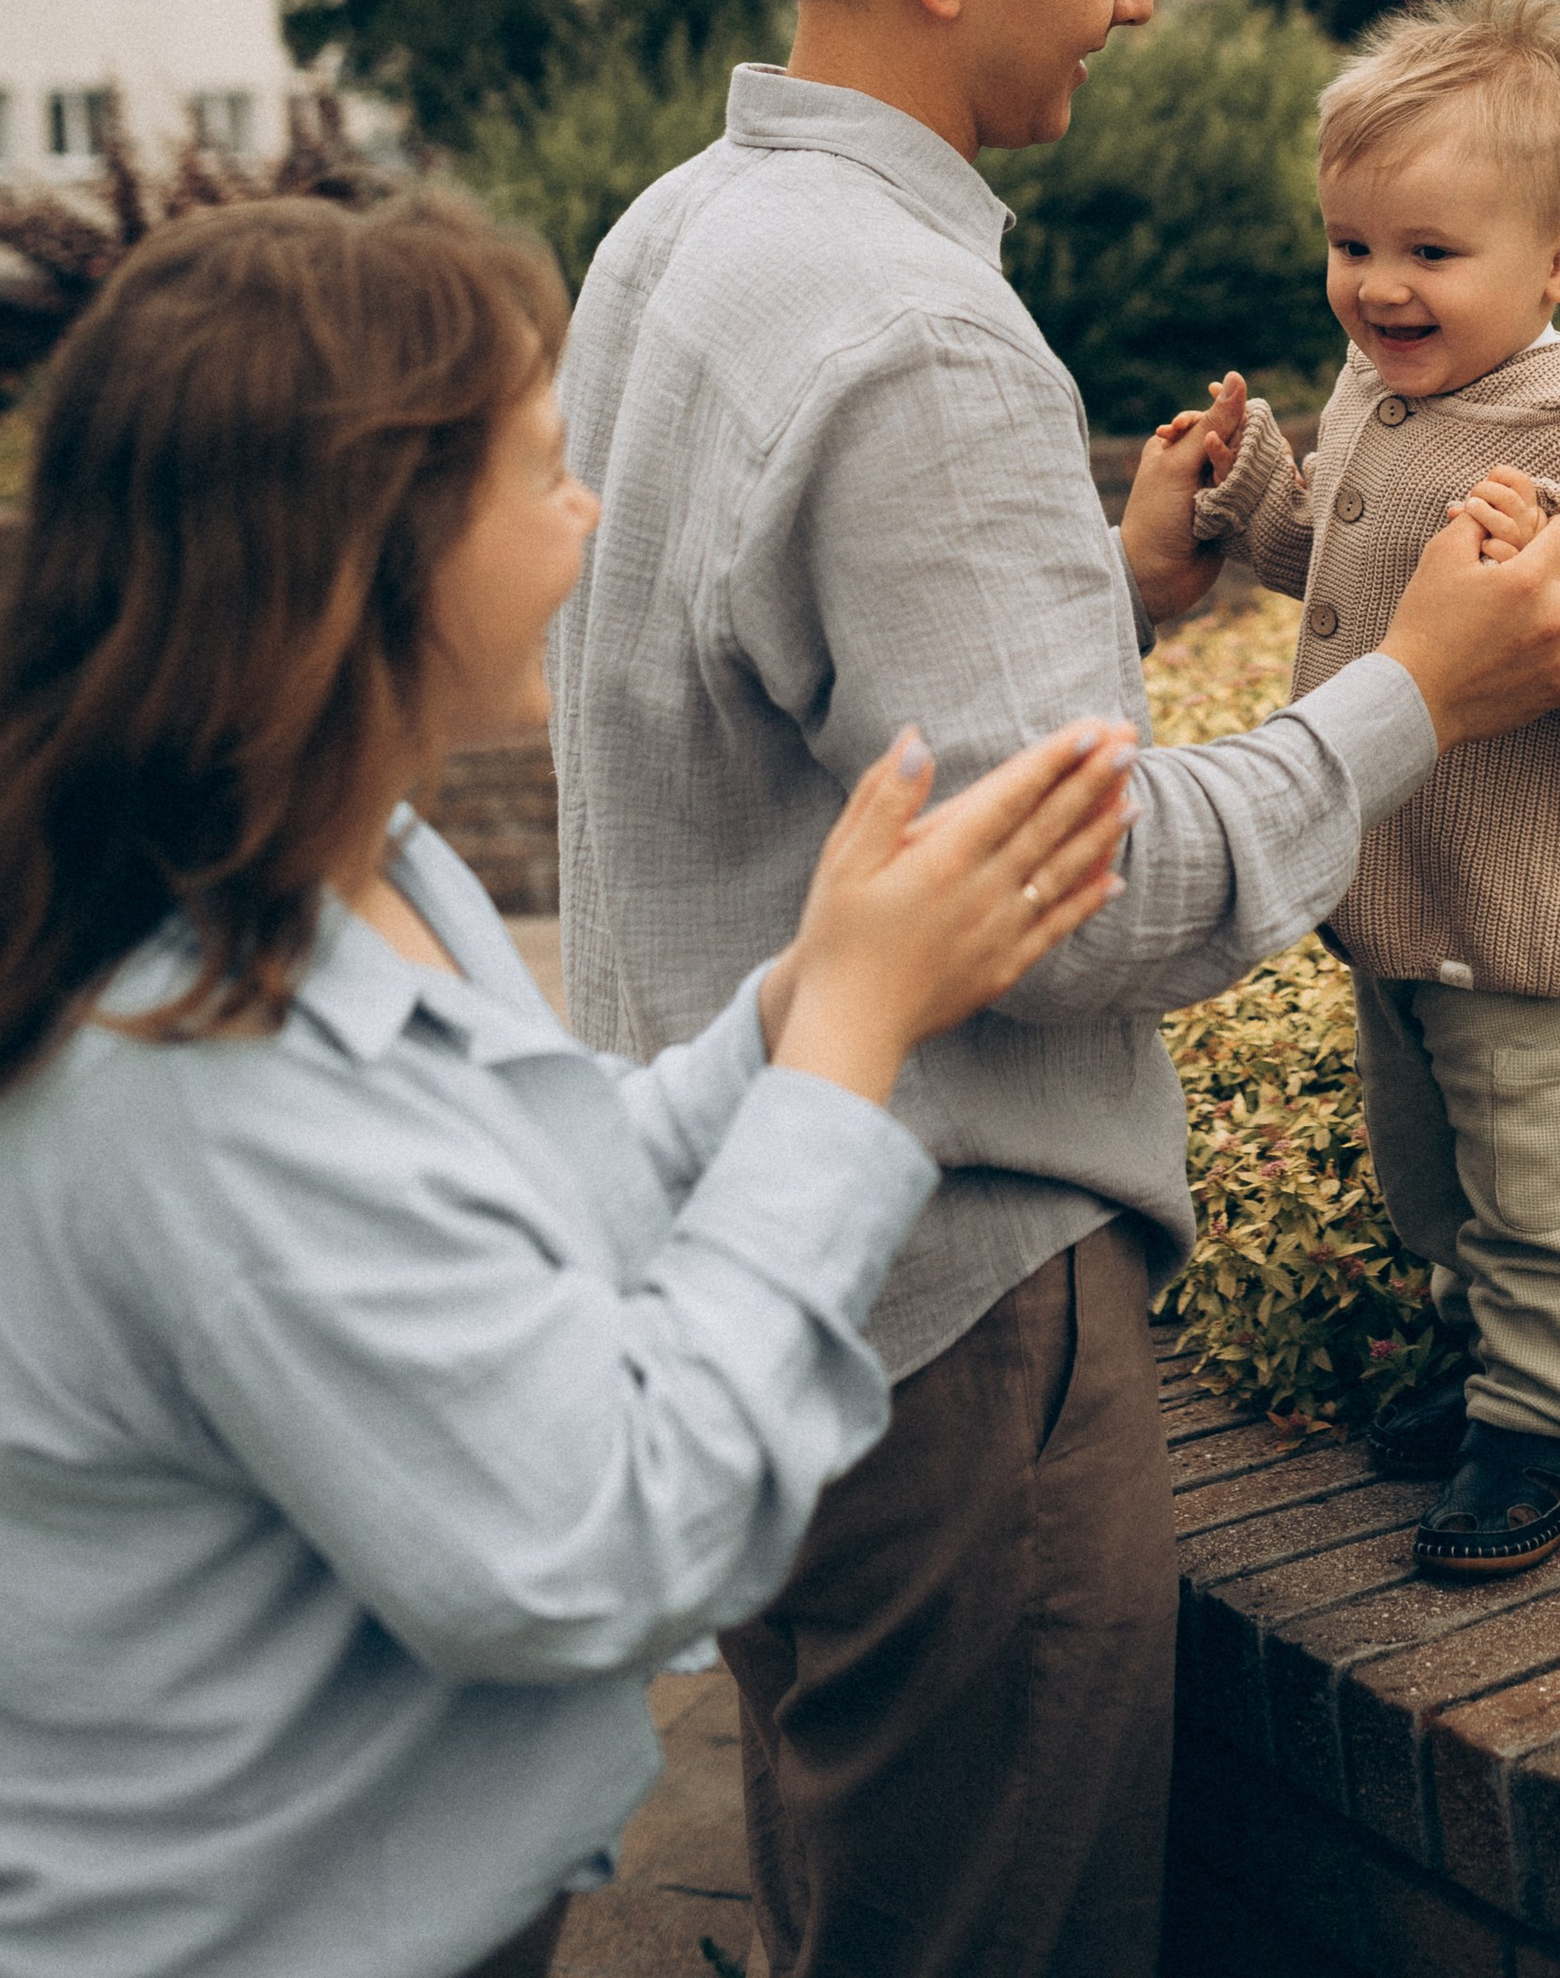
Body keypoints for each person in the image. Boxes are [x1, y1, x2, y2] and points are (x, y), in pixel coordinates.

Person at [549, 0, 1560, 1978]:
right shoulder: (924, 334)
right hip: (951, 1315)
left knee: (865, 1885)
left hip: (747, 1236)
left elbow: (801, 732)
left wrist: (1120, 606)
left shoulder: (672, 239)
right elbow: (1092, 902)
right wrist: (1409, 697)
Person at [0, 192, 1134, 1978]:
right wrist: (847, 1055)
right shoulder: (193, 1067)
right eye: (538, 473)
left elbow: (527, 1194)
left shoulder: (339, 862)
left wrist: (802, 998)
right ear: (376, 539)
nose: (585, 517)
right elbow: (605, 1541)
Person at [1122, 0, 1560, 1579]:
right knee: (1430, 1167)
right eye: (1354, 245)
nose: (1380, 288)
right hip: (1400, 878)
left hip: (1531, 900)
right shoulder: (1390, 399)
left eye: (1431, 255)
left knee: (1534, 1183)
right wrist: (1250, 485)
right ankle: (1474, 1360)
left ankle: (1543, 1426)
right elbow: (1333, 553)